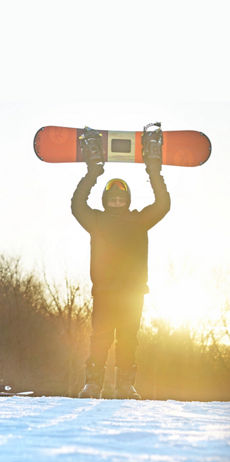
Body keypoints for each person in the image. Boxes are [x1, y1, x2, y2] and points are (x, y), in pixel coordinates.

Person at [71, 157, 170, 399]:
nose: (117, 203)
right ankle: (93, 384)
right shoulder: (96, 221)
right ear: (106, 202)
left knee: (128, 340)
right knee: (100, 340)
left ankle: (125, 386)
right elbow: (77, 205)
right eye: (113, 200)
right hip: (104, 292)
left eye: (121, 200)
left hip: (133, 293)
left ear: (127, 201)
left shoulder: (139, 221)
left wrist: (154, 171)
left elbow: (163, 204)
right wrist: (92, 173)